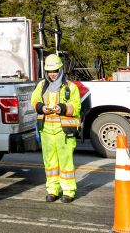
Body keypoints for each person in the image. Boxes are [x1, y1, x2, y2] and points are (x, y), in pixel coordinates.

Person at [31, 54, 82, 203]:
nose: (52, 74)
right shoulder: (41, 86)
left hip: (64, 131)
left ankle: (68, 191)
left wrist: (63, 108)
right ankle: (52, 190)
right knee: (50, 163)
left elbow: (77, 107)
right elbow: (34, 101)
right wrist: (41, 107)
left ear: (61, 70)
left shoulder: (71, 87)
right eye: (49, 71)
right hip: (46, 130)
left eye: (55, 71)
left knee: (66, 162)